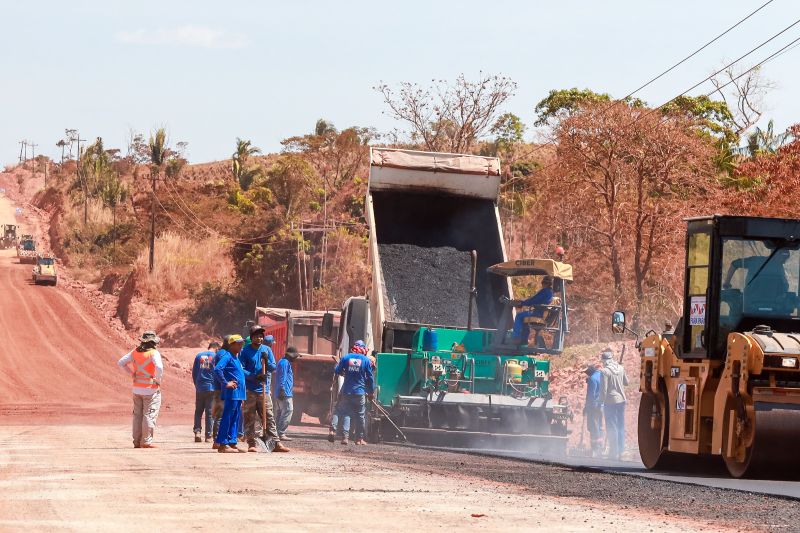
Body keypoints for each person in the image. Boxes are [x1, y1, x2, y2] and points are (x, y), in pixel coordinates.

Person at [239, 326, 289, 453]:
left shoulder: (267, 350)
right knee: (249, 418)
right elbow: (241, 370)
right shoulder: (245, 351)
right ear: (252, 338)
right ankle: (251, 443)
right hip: (250, 390)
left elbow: (273, 367)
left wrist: (267, 361)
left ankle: (276, 443)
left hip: (263, 390)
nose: (259, 338)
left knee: (269, 416)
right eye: (256, 336)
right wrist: (253, 376)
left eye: (261, 336)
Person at [117, 331, 164, 449]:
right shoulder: (154, 353)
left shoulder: (135, 352)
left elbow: (121, 362)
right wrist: (158, 379)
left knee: (137, 416)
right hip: (151, 389)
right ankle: (146, 442)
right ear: (153, 342)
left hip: (137, 389)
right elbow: (159, 367)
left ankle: (137, 442)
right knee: (149, 415)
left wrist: (132, 373)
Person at [332, 340, 375, 445]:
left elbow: (337, 371)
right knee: (360, 416)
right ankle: (359, 439)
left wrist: (342, 369)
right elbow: (370, 378)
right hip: (359, 392)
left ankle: (345, 437)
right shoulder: (365, 360)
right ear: (363, 349)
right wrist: (371, 392)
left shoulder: (346, 358)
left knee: (346, 413)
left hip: (347, 391)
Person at [213, 335, 247, 453]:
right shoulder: (227, 356)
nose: (241, 346)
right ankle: (223, 444)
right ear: (231, 345)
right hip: (232, 393)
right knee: (227, 417)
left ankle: (232, 442)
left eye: (242, 343)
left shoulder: (236, 358)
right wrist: (225, 383)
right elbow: (217, 369)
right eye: (238, 344)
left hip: (239, 394)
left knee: (235, 418)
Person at [600, 349, 628, 461]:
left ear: (604, 360)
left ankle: (613, 452)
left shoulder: (604, 371)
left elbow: (604, 390)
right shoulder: (621, 368)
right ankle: (622, 451)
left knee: (612, 427)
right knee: (620, 426)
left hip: (610, 402)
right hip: (622, 401)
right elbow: (627, 382)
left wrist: (601, 402)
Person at [509, 276, 555, 345]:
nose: (542, 285)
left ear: (545, 283)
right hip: (542, 313)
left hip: (538, 313)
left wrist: (522, 303)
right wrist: (523, 302)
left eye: (543, 283)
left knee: (519, 316)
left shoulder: (545, 291)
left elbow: (533, 300)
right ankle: (524, 341)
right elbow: (535, 300)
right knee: (524, 320)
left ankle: (516, 338)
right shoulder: (551, 292)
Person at [192, 341, 220, 443]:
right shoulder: (216, 356)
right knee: (209, 412)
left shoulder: (199, 355)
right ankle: (208, 436)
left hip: (200, 387)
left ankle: (197, 432)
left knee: (198, 411)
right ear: (216, 348)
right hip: (211, 387)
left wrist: (197, 384)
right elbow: (218, 372)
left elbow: (194, 372)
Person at [275, 346, 299, 441]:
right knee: (288, 410)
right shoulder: (285, 363)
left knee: (281, 412)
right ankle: (281, 433)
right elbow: (283, 377)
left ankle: (276, 432)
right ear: (290, 355)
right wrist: (282, 389)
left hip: (282, 391)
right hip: (285, 392)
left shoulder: (283, 362)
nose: (296, 358)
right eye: (295, 356)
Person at [583, 364, 603, 457]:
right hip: (602, 405)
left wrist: (586, 407)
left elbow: (591, 395)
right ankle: (600, 447)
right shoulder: (601, 375)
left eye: (586, 372)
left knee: (592, 426)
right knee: (599, 426)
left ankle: (595, 448)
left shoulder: (592, 379)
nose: (586, 374)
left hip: (594, 406)